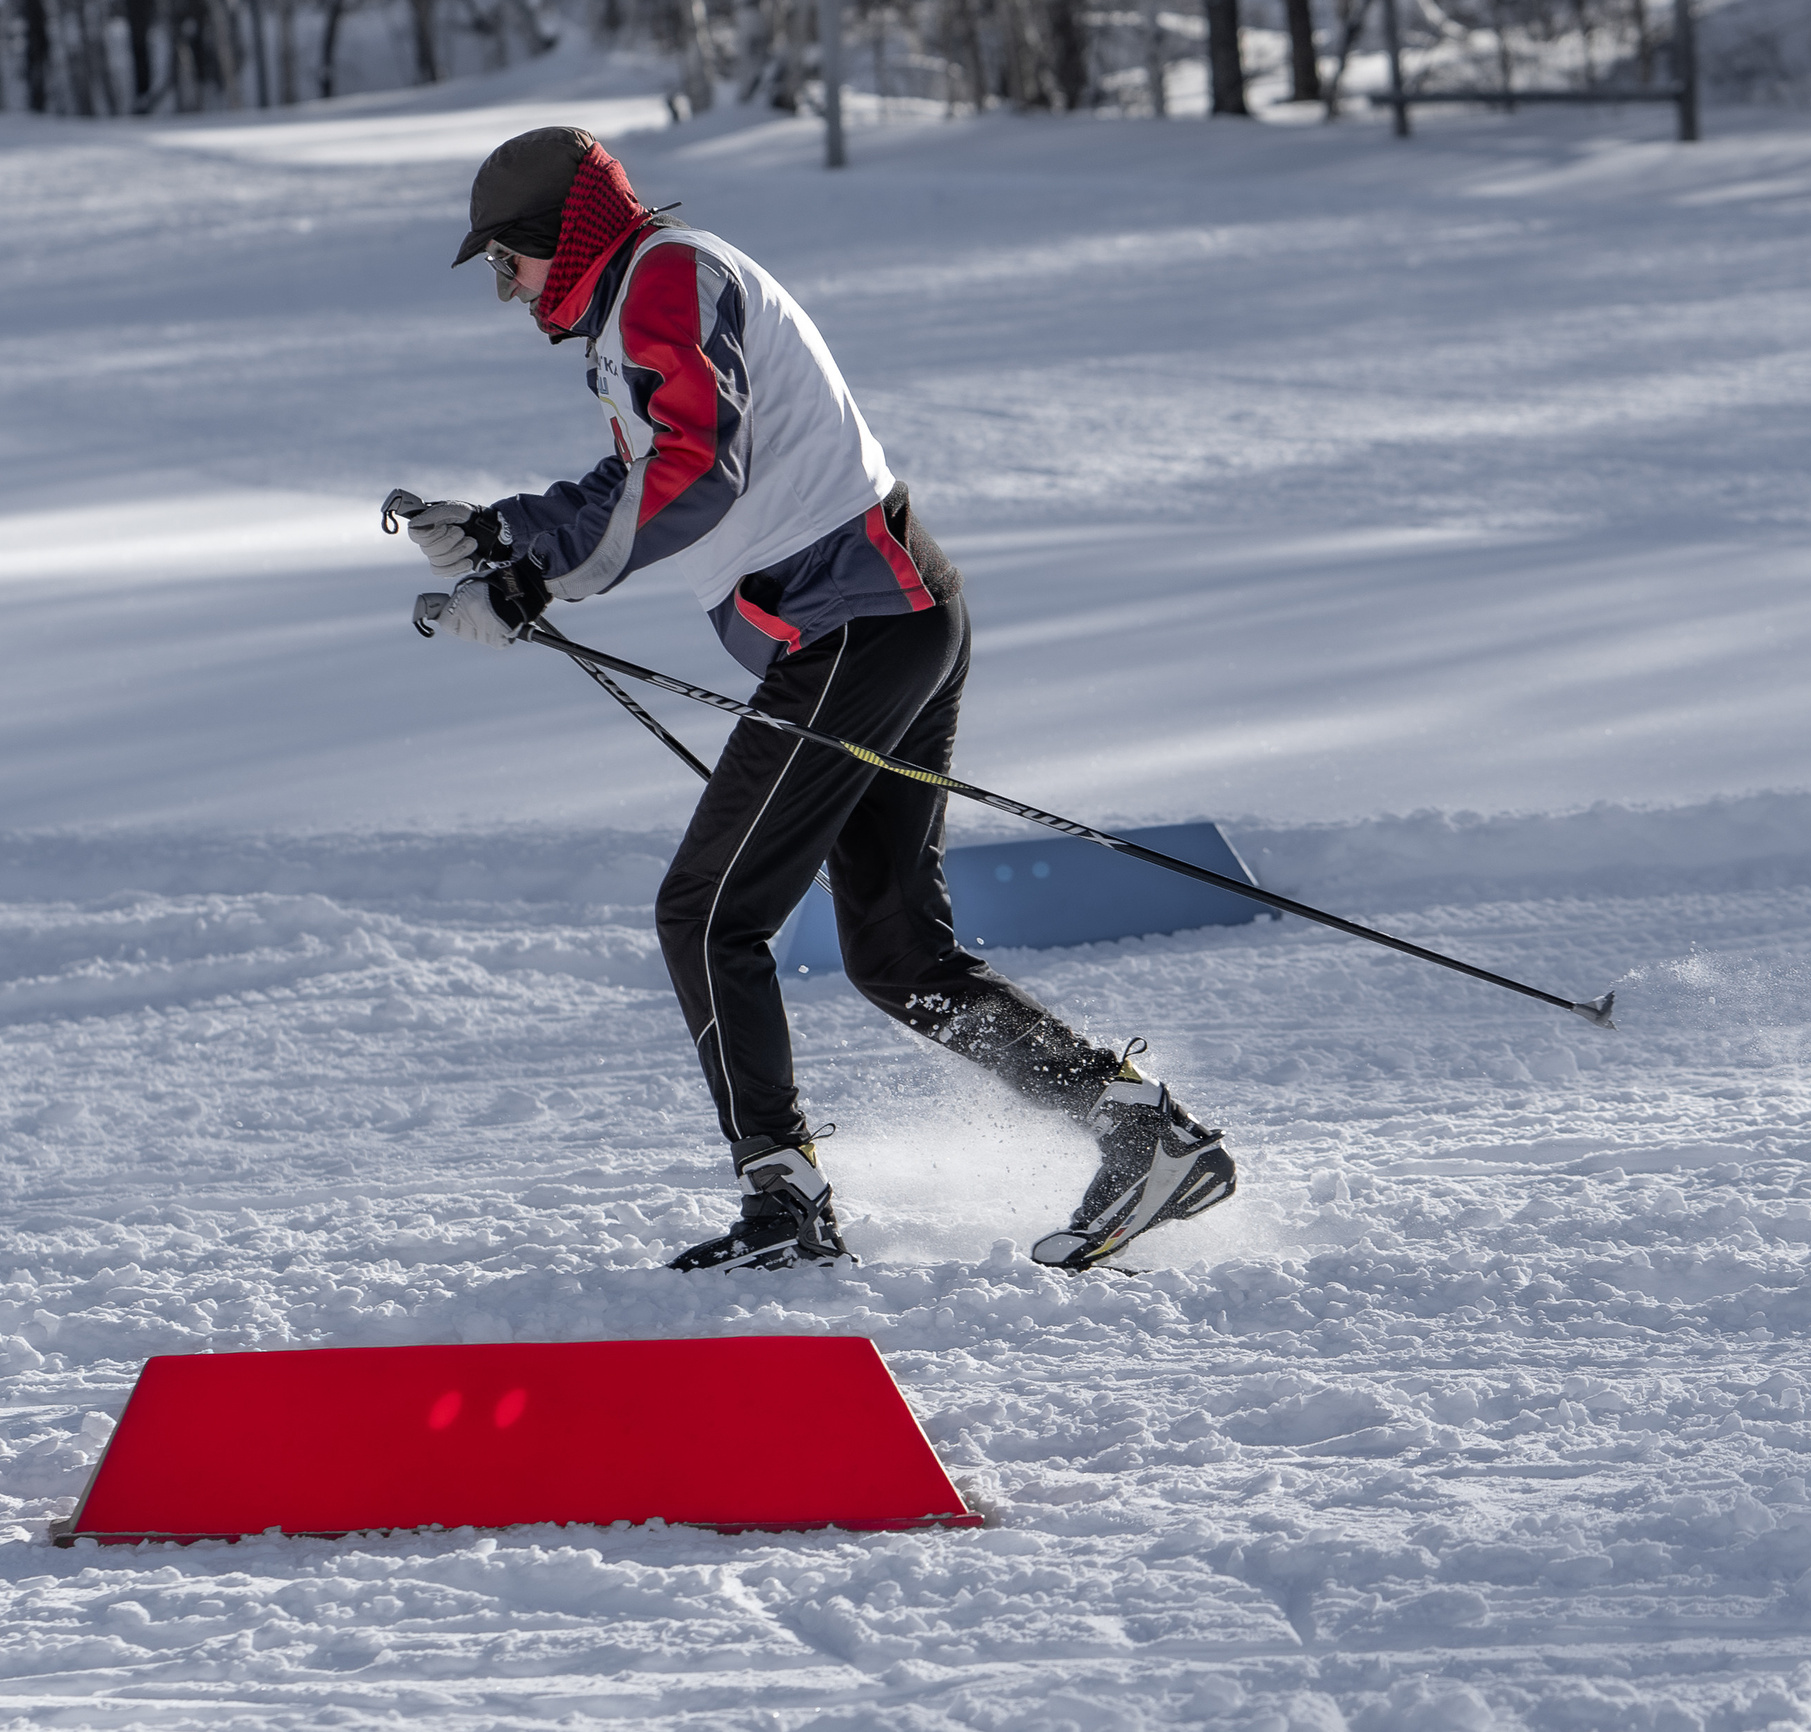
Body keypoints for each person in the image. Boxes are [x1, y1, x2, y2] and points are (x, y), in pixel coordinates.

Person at [400, 127, 1236, 1273]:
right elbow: (643, 470)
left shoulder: (666, 279)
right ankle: (1142, 1133)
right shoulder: (650, 299)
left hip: (854, 625)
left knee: (704, 912)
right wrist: (507, 531)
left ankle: (782, 1203)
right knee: (894, 950)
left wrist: (539, 580)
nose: (508, 291)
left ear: (563, 238)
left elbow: (695, 468)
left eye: (508, 261)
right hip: (890, 613)